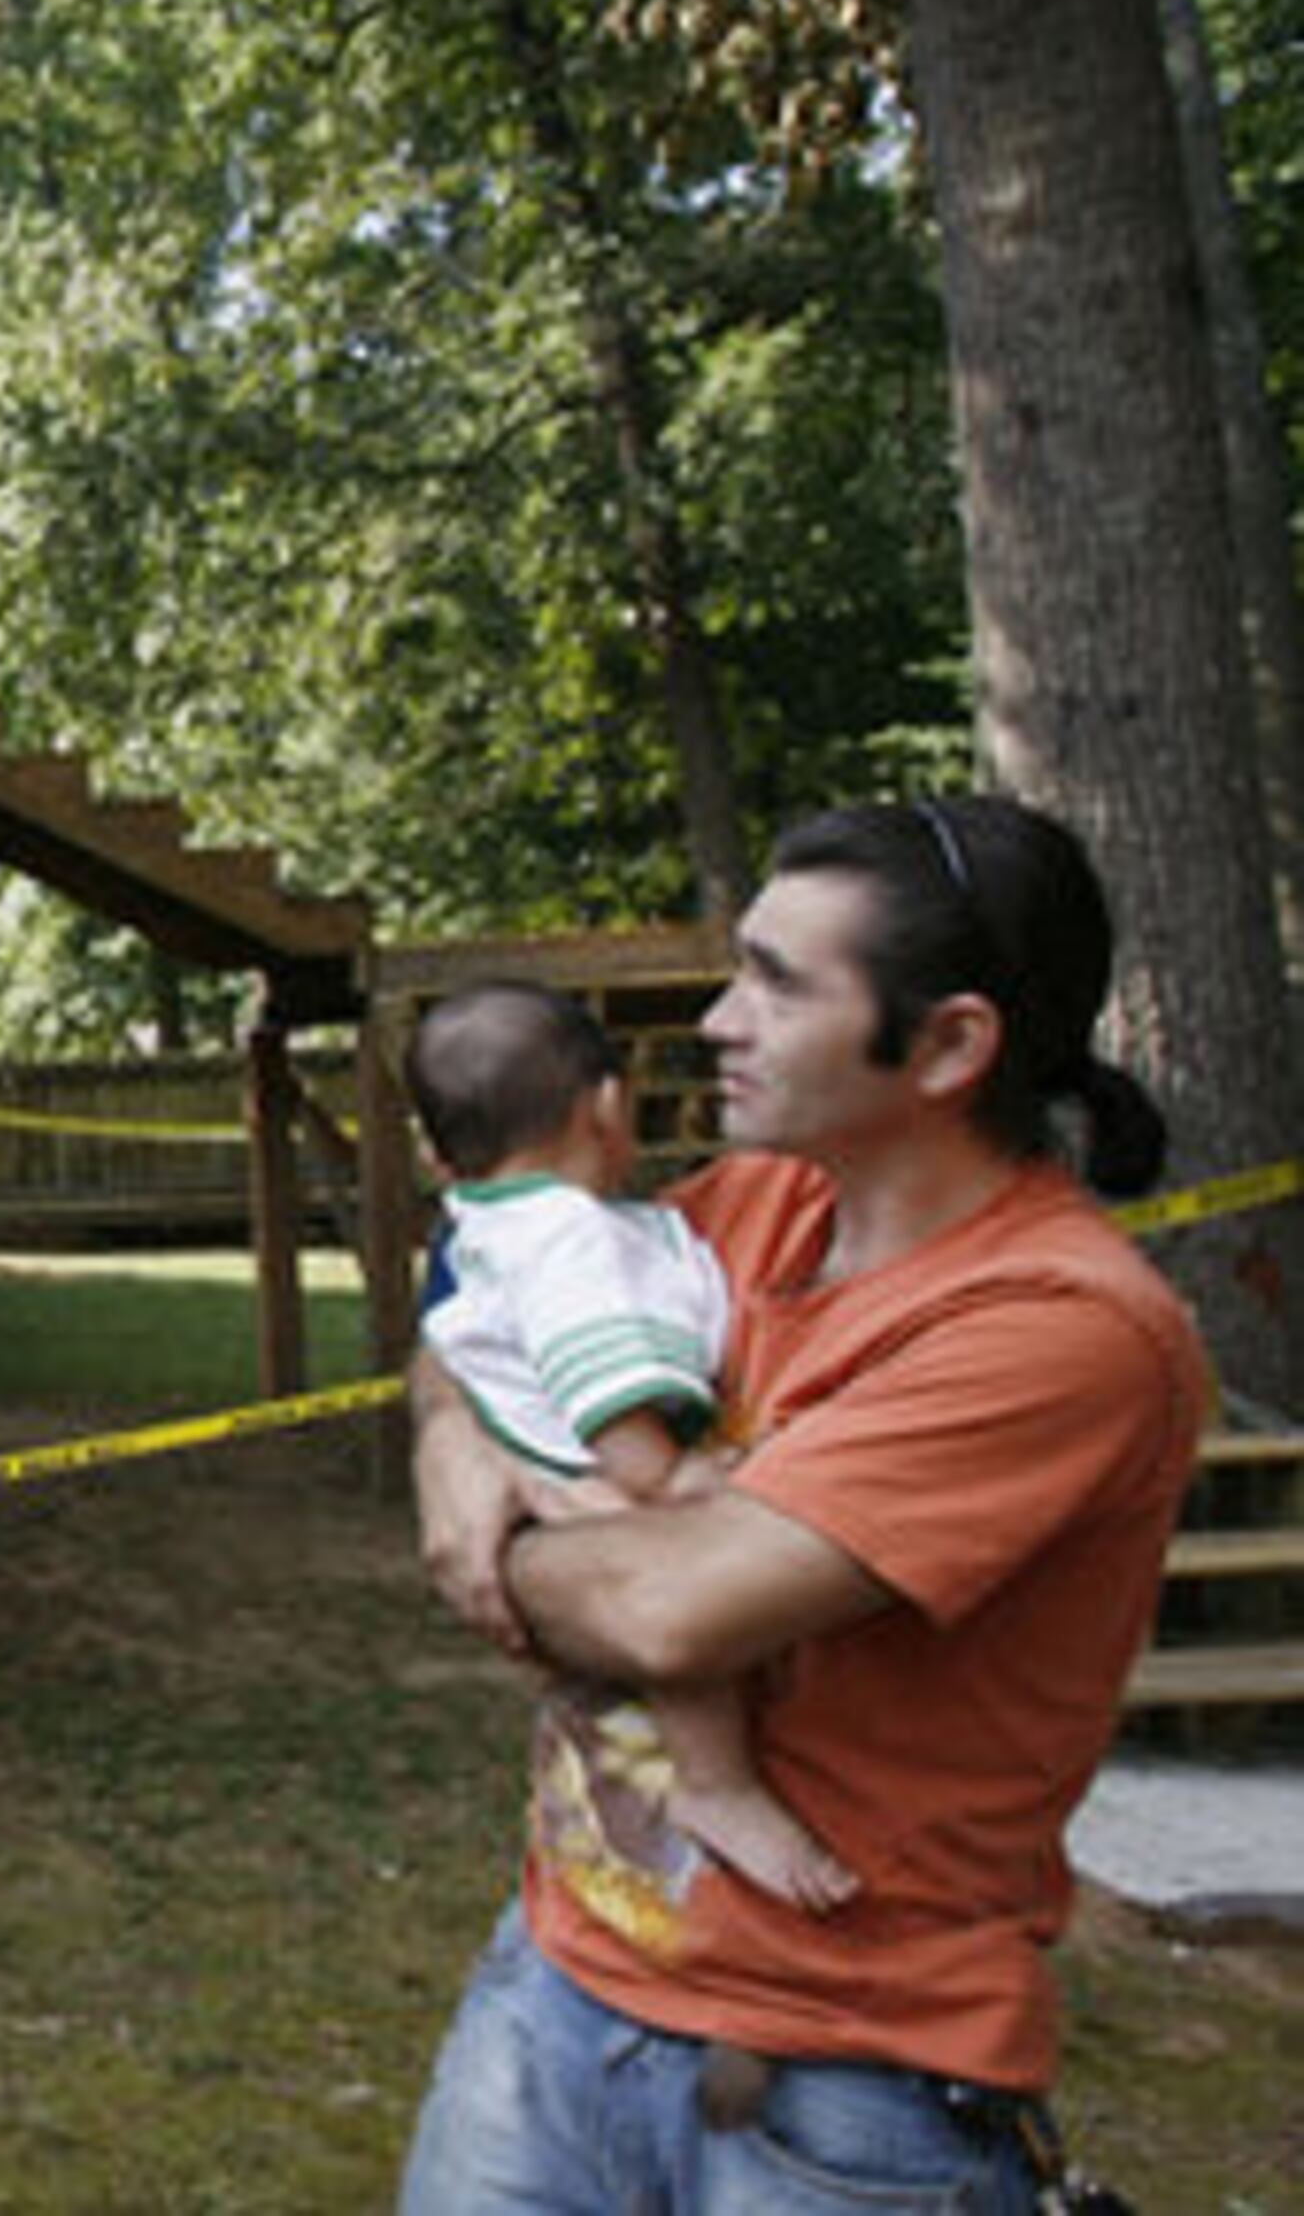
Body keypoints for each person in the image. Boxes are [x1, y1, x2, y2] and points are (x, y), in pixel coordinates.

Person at [400, 797, 1208, 2211]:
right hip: (559, 1986)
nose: (719, 1018)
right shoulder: (755, 1206)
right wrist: (451, 1447)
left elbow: (668, 1613)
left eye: (778, 982)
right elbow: (491, 1314)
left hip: (842, 2084)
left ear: (952, 1043)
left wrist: (497, 1543)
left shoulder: (1063, 1323)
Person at [405, 978, 856, 1913]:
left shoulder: (493, 1220)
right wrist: (666, 1470)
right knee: (679, 1608)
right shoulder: (573, 1234)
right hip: (595, 1461)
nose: (726, 1019)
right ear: (607, 1107)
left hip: (546, 1464)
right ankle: (718, 1787)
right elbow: (595, 1360)